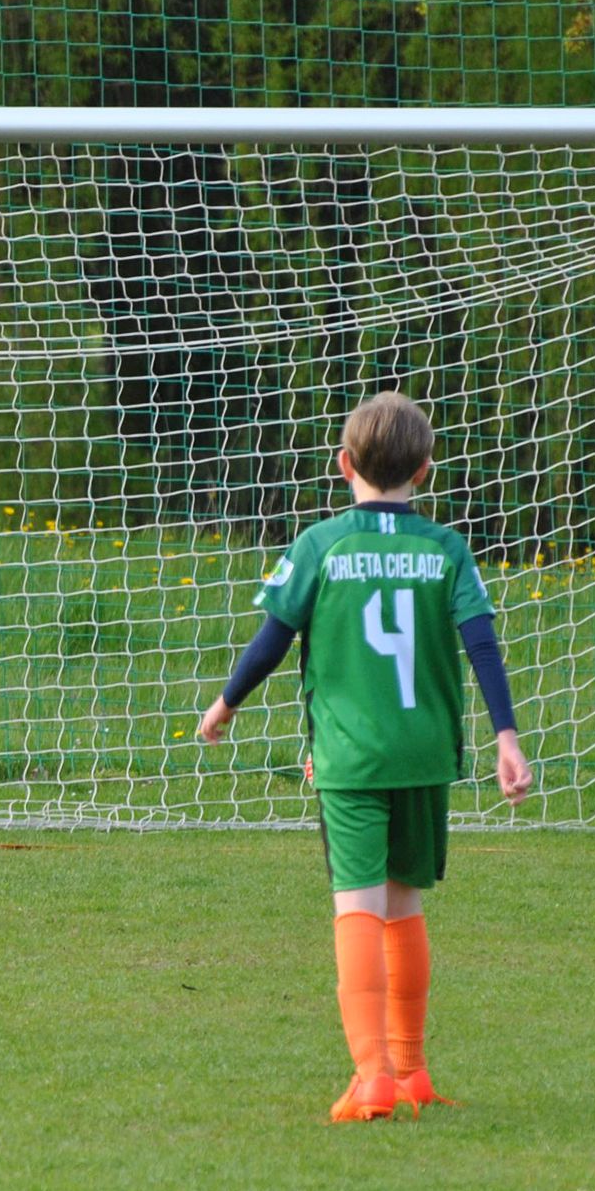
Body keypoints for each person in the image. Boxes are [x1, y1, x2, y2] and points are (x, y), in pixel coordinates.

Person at [198, 391, 531, 1121]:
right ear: (425, 470)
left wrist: (225, 703)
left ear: (344, 464)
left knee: (357, 905)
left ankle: (372, 1074)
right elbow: (480, 642)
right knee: (405, 900)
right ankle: (412, 1069)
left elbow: (273, 638)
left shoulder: (322, 544)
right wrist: (506, 736)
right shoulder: (445, 547)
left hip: (350, 757)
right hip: (424, 753)